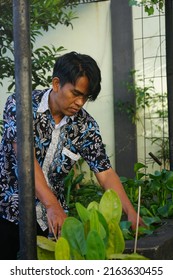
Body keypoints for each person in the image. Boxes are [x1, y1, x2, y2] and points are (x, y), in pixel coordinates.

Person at [0, 51, 144, 259]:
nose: (80, 102)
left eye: (85, 97)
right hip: (9, 216)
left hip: (51, 224)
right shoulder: (21, 105)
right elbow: (26, 161)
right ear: (57, 84)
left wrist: (130, 211)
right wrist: (52, 205)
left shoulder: (85, 125)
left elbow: (104, 171)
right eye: (76, 93)